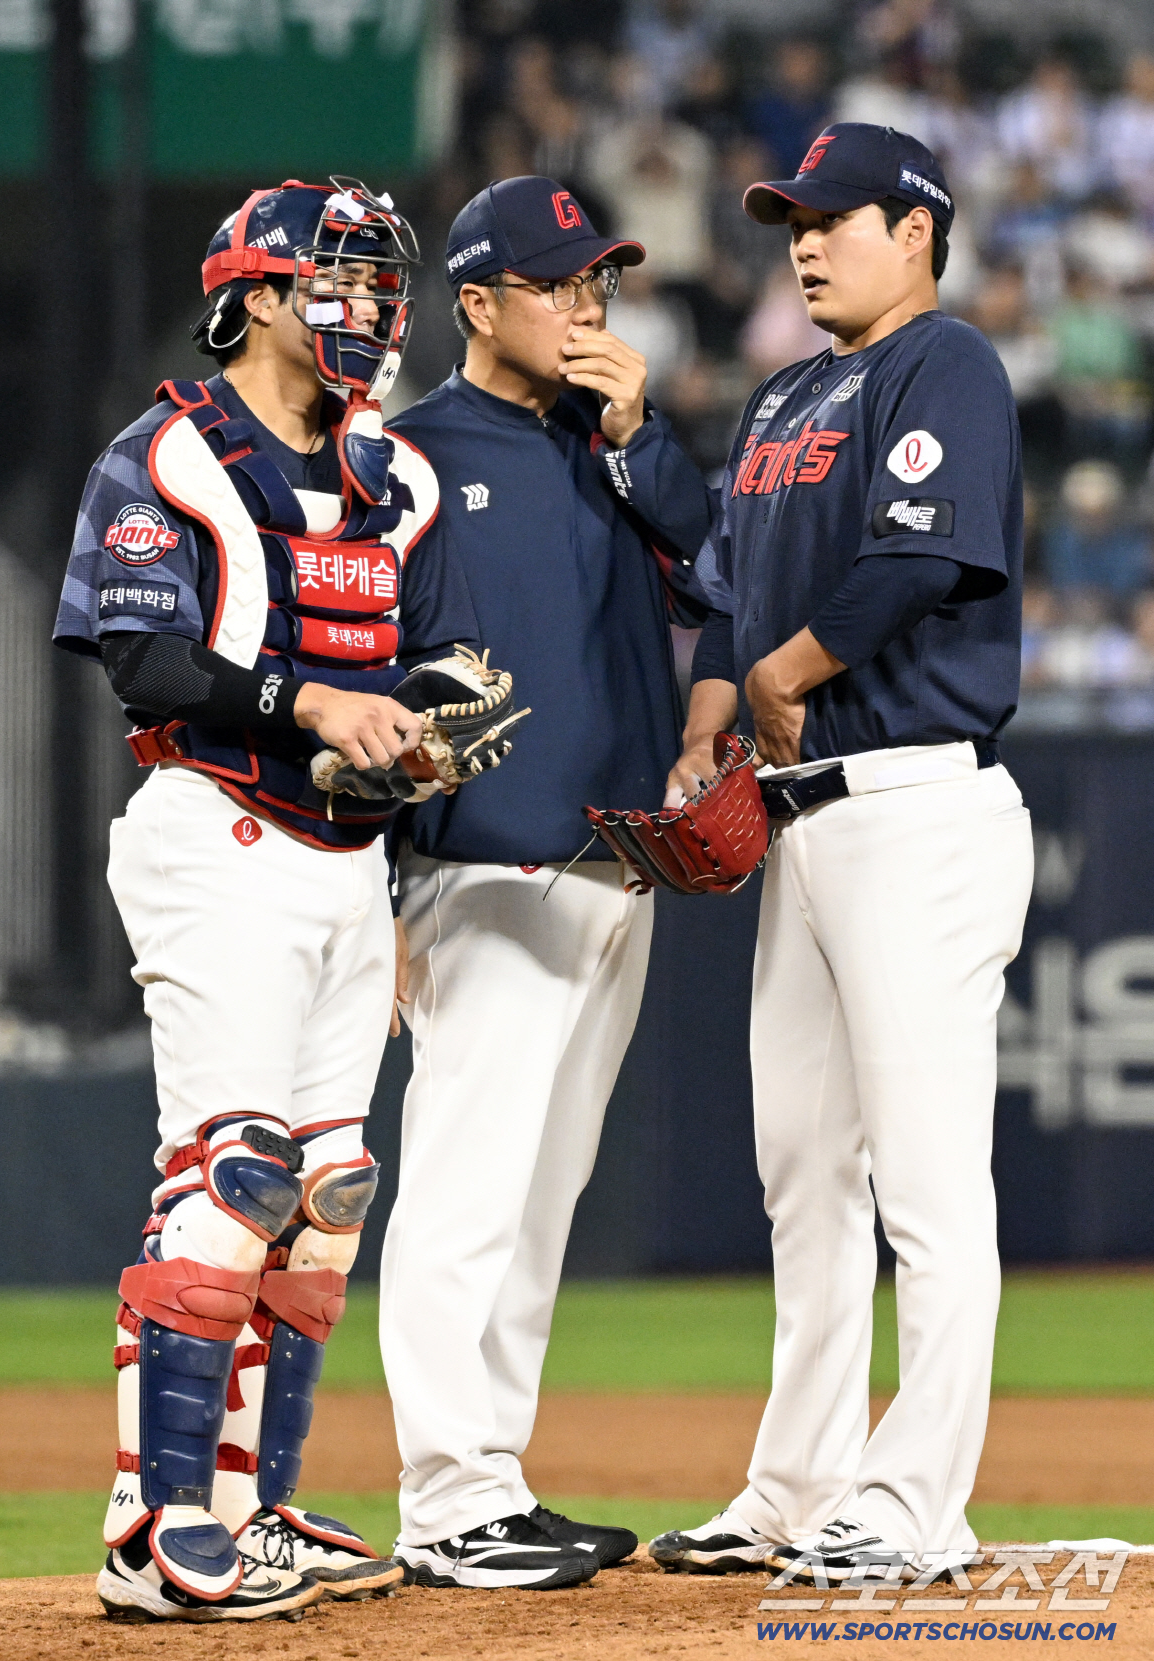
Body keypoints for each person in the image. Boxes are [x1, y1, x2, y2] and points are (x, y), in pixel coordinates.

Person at [53, 178, 481, 1622]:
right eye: (341, 281)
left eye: (378, 282)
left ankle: (254, 1501)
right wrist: (317, 702)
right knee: (231, 1171)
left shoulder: (393, 479)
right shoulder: (168, 450)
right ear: (261, 293)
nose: (366, 310)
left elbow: (392, 692)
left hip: (349, 866)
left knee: (329, 1190)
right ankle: (153, 1518)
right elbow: (146, 662)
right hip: (212, 832)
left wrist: (416, 750)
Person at [649, 124, 1034, 1583]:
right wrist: (710, 720)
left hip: (917, 801)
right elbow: (729, 596)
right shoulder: (779, 397)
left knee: (927, 1181)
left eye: (834, 217)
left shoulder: (948, 368)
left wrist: (785, 674)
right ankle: (800, 1482)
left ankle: (918, 1497)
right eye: (789, 220)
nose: (803, 241)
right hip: (804, 820)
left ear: (918, 228)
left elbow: (921, 555)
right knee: (802, 1172)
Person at [377, 175, 714, 1590]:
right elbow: (356, 678)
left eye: (599, 282)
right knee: (467, 1186)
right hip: (484, 871)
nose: (588, 306)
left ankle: (491, 1479)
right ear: (478, 302)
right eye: (559, 282)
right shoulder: (399, 455)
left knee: (543, 1190)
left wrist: (642, 435)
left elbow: (722, 572)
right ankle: (445, 1492)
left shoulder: (613, 444)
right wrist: (382, 888)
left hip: (613, 867)